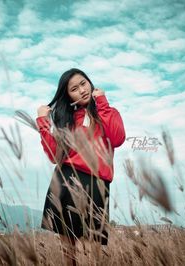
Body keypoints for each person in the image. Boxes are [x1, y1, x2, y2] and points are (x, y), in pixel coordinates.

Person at [36, 68, 126, 265]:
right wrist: (43, 122)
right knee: (68, 250)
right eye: (74, 89)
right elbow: (54, 155)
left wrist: (101, 103)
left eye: (83, 83)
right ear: (68, 96)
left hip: (97, 184)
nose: (82, 90)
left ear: (90, 83)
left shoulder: (108, 112)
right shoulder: (66, 121)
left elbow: (118, 138)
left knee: (94, 249)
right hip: (66, 179)